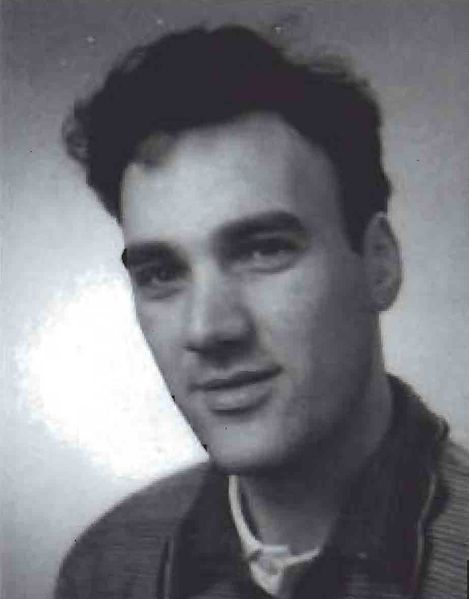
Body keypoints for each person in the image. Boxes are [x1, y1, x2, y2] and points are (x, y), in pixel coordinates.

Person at [55, 25, 468, 599]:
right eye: (162, 273)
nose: (208, 329)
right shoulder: (105, 569)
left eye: (263, 250)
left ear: (379, 264)